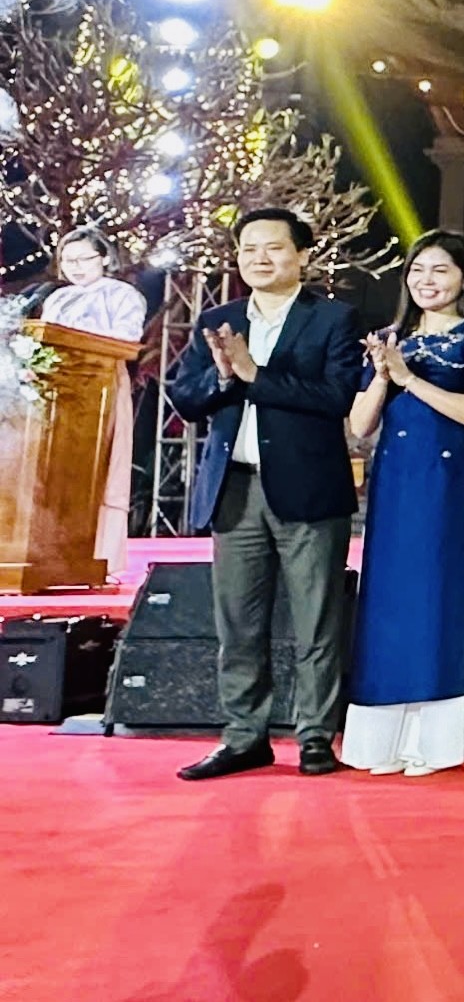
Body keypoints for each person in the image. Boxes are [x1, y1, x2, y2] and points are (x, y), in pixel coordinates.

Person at [164, 209, 365, 781]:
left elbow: (337, 397)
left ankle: (315, 736)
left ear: (302, 255)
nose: (259, 257)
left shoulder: (334, 318)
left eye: (273, 247)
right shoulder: (219, 320)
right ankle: (243, 736)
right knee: (238, 623)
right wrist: (225, 377)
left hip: (308, 489)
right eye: (249, 248)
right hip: (235, 489)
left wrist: (257, 375)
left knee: (315, 622)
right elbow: (186, 399)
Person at [340, 233, 464, 776]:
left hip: (449, 482)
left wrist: (410, 379)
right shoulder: (390, 340)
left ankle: (436, 742)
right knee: (388, 602)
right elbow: (360, 425)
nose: (426, 281)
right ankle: (380, 740)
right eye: (418, 271)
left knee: (439, 600)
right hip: (395, 485)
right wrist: (383, 375)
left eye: (440, 270)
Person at [40, 227, 149, 575]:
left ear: (104, 258)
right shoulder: (57, 298)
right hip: (58, 392)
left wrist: (77, 342)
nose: (75, 267)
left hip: (101, 388)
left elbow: (127, 339)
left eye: (84, 259)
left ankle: (101, 558)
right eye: (68, 260)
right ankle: (51, 556)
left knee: (103, 470)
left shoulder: (123, 295)